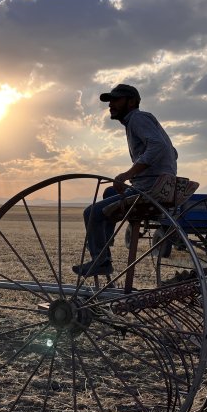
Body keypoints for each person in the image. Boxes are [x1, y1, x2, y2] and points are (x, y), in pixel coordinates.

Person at [73, 83, 178, 276]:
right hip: (152, 185)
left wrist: (129, 174)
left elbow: (158, 147)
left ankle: (101, 261)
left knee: (91, 213)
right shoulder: (141, 121)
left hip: (148, 190)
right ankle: (106, 241)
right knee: (110, 192)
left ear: (132, 102)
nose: (111, 105)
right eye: (110, 101)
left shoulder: (137, 118)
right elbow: (172, 152)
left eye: (116, 100)